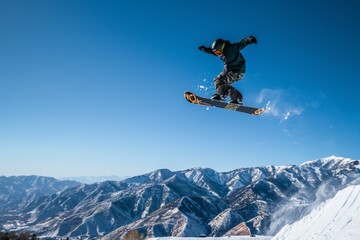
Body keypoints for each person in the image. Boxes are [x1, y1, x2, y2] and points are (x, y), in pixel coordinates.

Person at [198, 36, 257, 104]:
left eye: (218, 52)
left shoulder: (231, 48)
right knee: (219, 82)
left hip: (236, 71)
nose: (218, 54)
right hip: (230, 71)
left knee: (219, 80)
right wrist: (205, 49)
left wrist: (250, 39)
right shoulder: (220, 52)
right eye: (217, 53)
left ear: (222, 47)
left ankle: (225, 94)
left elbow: (241, 43)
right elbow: (212, 52)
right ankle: (233, 97)